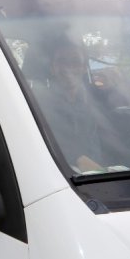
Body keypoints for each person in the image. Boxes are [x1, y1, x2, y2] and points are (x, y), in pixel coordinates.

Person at [35, 41, 103, 172]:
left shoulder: (91, 98)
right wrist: (77, 158)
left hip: (99, 173)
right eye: (62, 61)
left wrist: (115, 84)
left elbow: (124, 97)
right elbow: (46, 141)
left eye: (75, 61)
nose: (68, 67)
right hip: (65, 177)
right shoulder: (39, 104)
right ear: (52, 68)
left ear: (84, 68)